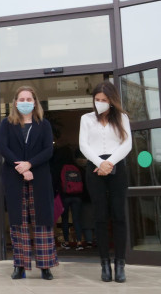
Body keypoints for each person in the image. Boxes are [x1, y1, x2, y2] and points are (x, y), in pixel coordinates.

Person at [0, 86, 57, 280]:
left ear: (35, 102)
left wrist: (30, 164)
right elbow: (4, 148)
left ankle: (46, 266)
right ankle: (20, 265)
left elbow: (48, 150)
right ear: (15, 102)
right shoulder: (6, 124)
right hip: (15, 178)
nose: (25, 102)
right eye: (21, 99)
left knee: (42, 221)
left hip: (39, 177)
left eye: (28, 99)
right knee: (19, 223)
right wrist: (21, 168)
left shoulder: (44, 124)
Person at [79, 81, 132, 283]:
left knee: (119, 214)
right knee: (100, 216)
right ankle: (104, 265)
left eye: (104, 100)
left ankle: (120, 264)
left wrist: (109, 163)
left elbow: (127, 143)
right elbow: (83, 144)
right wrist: (100, 163)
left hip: (116, 167)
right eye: (97, 99)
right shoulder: (86, 118)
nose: (100, 103)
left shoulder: (122, 118)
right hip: (94, 167)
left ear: (112, 101)